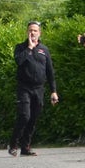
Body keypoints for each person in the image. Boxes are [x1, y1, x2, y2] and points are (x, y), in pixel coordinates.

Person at [10, 21, 58, 155]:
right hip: (24, 88)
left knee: (33, 118)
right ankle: (13, 144)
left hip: (39, 89)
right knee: (24, 116)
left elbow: (50, 71)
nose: (32, 33)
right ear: (27, 32)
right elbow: (19, 61)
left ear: (39, 33)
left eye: (35, 31)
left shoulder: (44, 50)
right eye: (30, 30)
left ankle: (25, 148)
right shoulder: (20, 47)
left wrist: (53, 91)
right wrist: (29, 48)